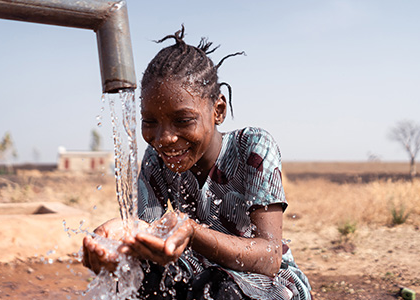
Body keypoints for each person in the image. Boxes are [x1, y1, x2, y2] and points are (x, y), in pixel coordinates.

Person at [83, 26, 312, 300]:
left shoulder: (252, 147)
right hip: (198, 274)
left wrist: (192, 233)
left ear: (218, 111)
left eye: (182, 120)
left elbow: (270, 256)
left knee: (218, 287)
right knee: (139, 274)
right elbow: (151, 238)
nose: (164, 138)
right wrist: (122, 241)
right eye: (150, 122)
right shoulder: (156, 160)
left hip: (267, 285)